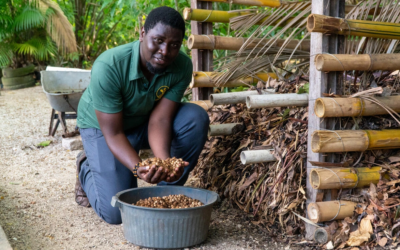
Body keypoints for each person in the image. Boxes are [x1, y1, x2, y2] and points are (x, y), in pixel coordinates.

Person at [74, 6, 209, 224]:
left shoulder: (181, 66)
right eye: (158, 40)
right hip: (103, 128)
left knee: (195, 118)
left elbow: (161, 119)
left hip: (144, 120)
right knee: (117, 212)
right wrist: (139, 168)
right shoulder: (109, 66)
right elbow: (114, 133)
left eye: (174, 45)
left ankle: (167, 192)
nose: (165, 51)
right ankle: (86, 166)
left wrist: (165, 164)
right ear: (143, 34)